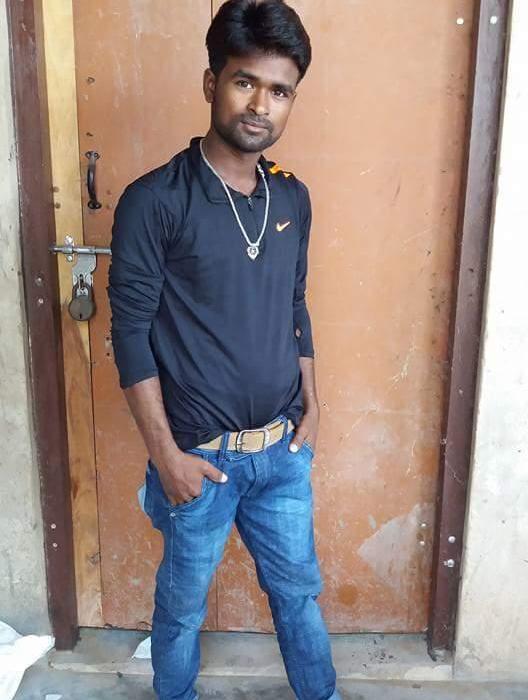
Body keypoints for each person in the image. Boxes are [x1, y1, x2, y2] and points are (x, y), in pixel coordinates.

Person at [108, 1, 341, 698]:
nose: (260, 105)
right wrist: (166, 457)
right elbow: (130, 332)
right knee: (181, 611)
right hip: (199, 461)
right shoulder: (155, 200)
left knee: (298, 596)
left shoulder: (291, 197)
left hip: (281, 454)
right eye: (245, 82)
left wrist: (314, 406)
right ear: (212, 82)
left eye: (280, 91)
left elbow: (295, 305)